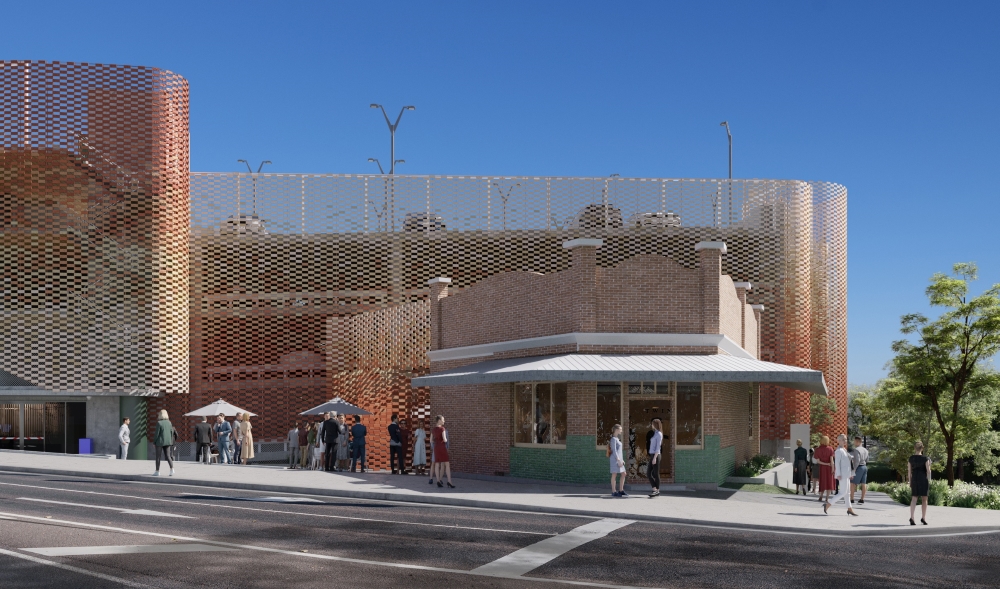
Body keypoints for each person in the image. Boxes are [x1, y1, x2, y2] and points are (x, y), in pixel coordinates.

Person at [824, 434, 859, 516]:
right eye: (843, 439)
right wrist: (838, 474)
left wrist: (851, 474)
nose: (845, 441)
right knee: (843, 492)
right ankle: (828, 504)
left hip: (846, 474)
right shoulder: (838, 451)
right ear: (838, 441)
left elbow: (848, 464)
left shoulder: (844, 450)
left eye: (846, 439)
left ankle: (849, 509)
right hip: (842, 475)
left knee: (847, 493)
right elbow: (837, 463)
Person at [908, 441, 932, 525]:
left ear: (915, 448)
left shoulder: (911, 458)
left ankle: (912, 517)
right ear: (922, 448)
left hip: (914, 478)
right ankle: (923, 518)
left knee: (914, 498)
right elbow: (928, 472)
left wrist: (910, 482)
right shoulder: (926, 458)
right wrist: (929, 466)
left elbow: (909, 472)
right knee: (924, 498)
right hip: (923, 479)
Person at [432, 415, 455, 488]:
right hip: (442, 447)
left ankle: (438, 480)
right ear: (439, 420)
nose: (444, 421)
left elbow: (430, 440)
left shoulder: (433, 430)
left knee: (437, 464)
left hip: (436, 447)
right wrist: (446, 440)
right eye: (443, 420)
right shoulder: (442, 429)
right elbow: (445, 439)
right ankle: (449, 481)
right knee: (447, 464)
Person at [153, 409, 175, 476]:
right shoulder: (169, 422)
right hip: (168, 441)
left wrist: (154, 442)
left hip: (160, 441)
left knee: (158, 457)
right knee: (168, 456)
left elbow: (157, 434)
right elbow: (172, 432)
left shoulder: (159, 423)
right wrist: (170, 440)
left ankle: (157, 471)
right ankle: (172, 469)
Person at [813, 435, 835, 503]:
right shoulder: (830, 449)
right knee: (829, 482)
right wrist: (833, 469)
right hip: (829, 468)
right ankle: (827, 498)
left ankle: (821, 496)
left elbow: (818, 461)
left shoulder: (818, 450)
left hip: (822, 468)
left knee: (822, 482)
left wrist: (825, 464)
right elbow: (832, 461)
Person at [609, 424, 627, 497]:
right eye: (620, 429)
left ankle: (621, 490)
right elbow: (614, 451)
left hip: (619, 460)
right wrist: (618, 460)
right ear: (616, 430)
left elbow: (619, 451)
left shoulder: (617, 438)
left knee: (623, 474)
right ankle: (613, 491)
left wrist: (622, 460)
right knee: (614, 474)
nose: (621, 430)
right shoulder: (613, 439)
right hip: (615, 460)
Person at [850, 436, 870, 504]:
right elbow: (867, 459)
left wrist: (854, 469)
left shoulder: (856, 450)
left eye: (854, 441)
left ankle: (852, 499)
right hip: (864, 466)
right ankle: (862, 499)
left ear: (858, 441)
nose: (854, 442)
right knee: (863, 483)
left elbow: (857, 461)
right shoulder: (866, 450)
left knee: (852, 483)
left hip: (859, 467)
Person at [647, 418, 663, 497]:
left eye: (652, 424)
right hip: (652, 455)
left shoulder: (659, 434)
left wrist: (654, 458)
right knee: (648, 473)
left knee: (656, 473)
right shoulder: (655, 433)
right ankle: (655, 488)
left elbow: (658, 447)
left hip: (656, 455)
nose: (651, 425)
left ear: (655, 424)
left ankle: (657, 490)